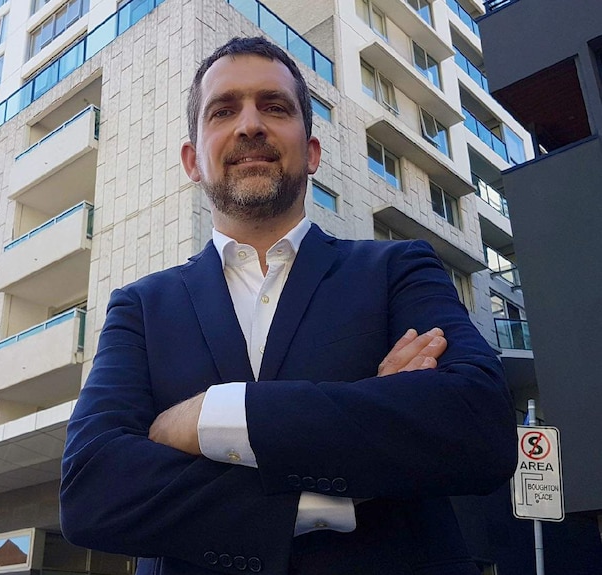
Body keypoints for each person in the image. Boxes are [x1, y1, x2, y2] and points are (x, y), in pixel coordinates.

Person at [60, 36, 516, 575]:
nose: (250, 124)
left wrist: (213, 415)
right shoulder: (140, 307)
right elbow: (92, 489)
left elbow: (477, 427)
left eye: (274, 107)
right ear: (192, 161)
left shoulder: (398, 270)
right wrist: (334, 490)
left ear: (313, 150)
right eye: (223, 111)